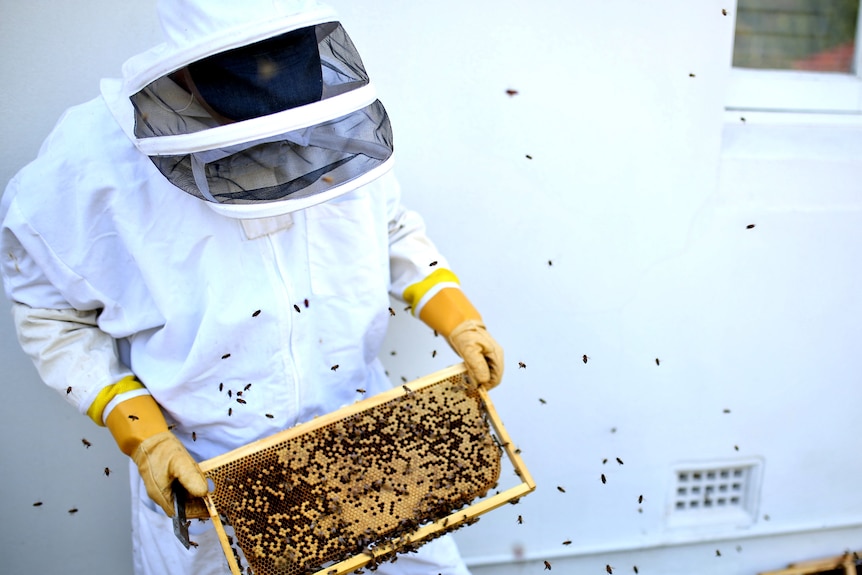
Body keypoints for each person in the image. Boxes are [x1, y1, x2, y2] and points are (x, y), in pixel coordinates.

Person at [0, 1, 504, 574]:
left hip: (366, 439)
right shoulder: (84, 168)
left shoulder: (331, 114)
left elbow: (389, 227)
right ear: (186, 68)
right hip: (212, 473)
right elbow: (51, 314)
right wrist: (142, 436)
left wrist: (458, 317)